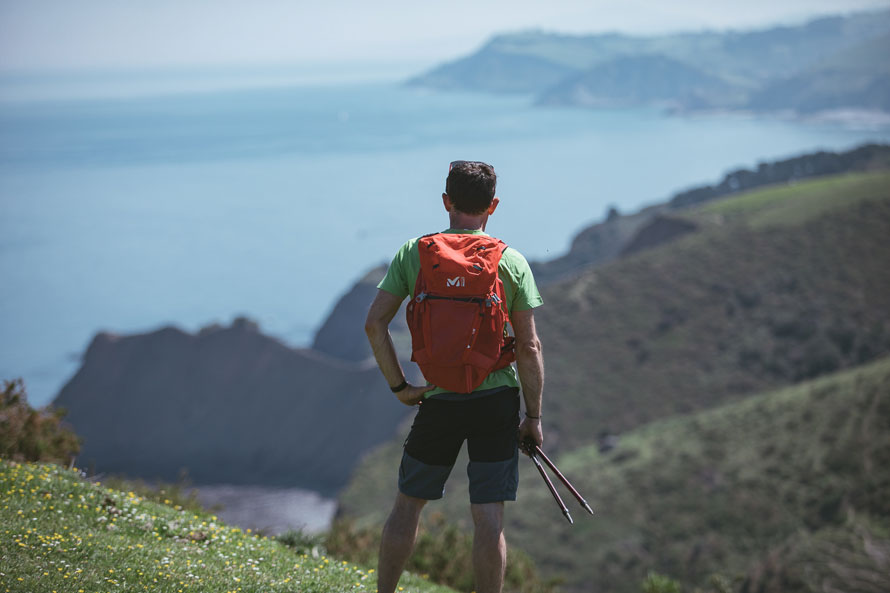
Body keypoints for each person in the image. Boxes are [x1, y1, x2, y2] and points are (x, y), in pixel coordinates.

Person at [364, 160, 545, 593]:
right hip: (496, 401)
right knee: (488, 518)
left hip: (438, 398)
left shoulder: (415, 253)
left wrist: (401, 387)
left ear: (446, 201)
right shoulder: (510, 261)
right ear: (493, 206)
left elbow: (375, 325)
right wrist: (533, 417)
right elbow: (529, 346)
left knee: (408, 506)